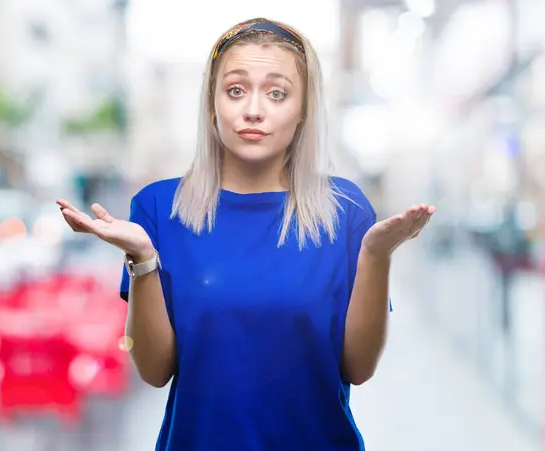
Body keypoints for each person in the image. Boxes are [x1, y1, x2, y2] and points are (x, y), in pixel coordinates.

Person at [57, 17, 436, 451]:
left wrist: (376, 256)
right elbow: (153, 370)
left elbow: (359, 367)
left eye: (277, 93)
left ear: (303, 111)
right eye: (235, 89)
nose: (253, 109)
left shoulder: (344, 210)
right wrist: (143, 257)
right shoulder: (159, 208)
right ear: (212, 103)